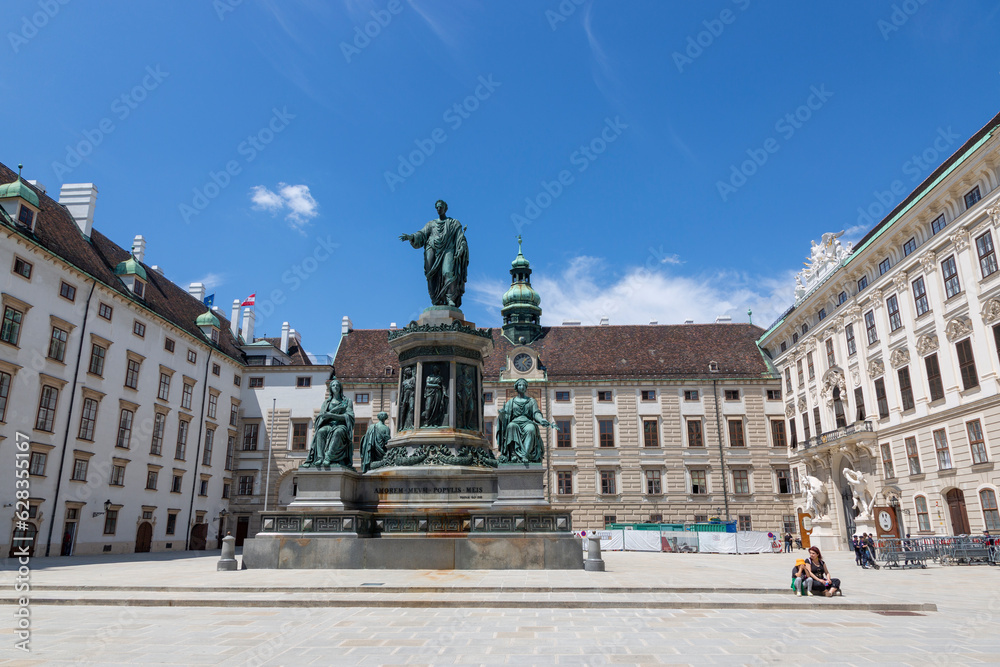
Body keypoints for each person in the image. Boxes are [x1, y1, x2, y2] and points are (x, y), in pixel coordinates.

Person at [399, 199, 469, 308]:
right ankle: (435, 299)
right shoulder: (431, 224)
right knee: (431, 275)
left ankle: (450, 298)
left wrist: (461, 247)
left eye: (440, 207)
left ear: (445, 208)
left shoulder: (454, 223)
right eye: (437, 207)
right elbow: (421, 234)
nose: (438, 209)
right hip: (432, 248)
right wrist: (411, 237)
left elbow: (461, 238)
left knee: (448, 272)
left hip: (448, 250)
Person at [496, 378, 558, 463]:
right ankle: (513, 454)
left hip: (527, 422)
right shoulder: (511, 402)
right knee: (511, 426)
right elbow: (505, 417)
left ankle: (525, 455)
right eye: (520, 385)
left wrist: (541, 419)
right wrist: (501, 414)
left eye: (524, 385)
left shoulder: (531, 401)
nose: (522, 387)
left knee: (531, 429)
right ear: (516, 387)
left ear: (526, 388)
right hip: (515, 422)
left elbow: (536, 413)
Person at [302, 377, 355, 468]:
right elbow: (321, 416)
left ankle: (328, 457)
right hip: (328, 424)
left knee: (338, 432)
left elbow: (349, 416)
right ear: (330, 388)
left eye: (337, 385)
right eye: (333, 385)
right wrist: (330, 414)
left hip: (341, 425)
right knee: (321, 432)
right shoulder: (326, 402)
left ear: (340, 388)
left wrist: (331, 415)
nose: (335, 387)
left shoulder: (347, 401)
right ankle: (320, 458)